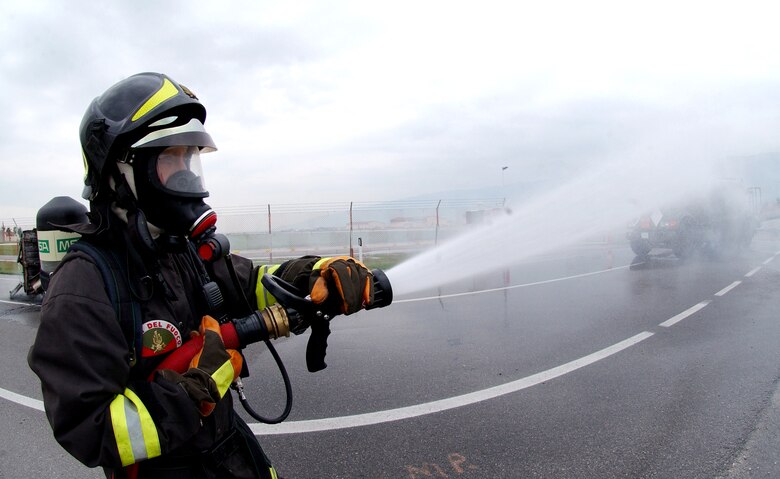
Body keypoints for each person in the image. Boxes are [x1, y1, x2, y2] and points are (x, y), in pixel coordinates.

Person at [28, 72, 375, 479]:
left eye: (188, 159)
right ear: (119, 174)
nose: (185, 176)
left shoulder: (183, 250)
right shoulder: (84, 286)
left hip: (229, 454)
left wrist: (314, 274)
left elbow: (252, 284)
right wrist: (191, 392)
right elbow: (86, 427)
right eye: (169, 159)